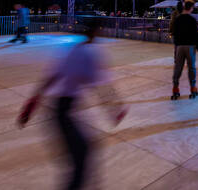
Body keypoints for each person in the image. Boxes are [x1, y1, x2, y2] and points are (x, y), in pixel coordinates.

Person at [17, 20, 127, 190]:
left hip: (57, 109)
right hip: (64, 111)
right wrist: (115, 109)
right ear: (97, 32)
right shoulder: (90, 53)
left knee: (82, 154)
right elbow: (102, 86)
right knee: (82, 156)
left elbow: (52, 77)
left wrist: (32, 103)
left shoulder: (73, 50)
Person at [169, 0, 198, 100]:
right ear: (191, 8)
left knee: (178, 67)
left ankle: (175, 88)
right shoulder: (192, 19)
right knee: (191, 68)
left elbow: (175, 32)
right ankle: (193, 88)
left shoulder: (177, 19)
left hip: (179, 46)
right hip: (190, 46)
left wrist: (177, 45)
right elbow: (195, 34)